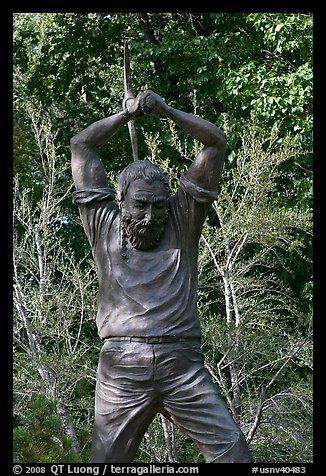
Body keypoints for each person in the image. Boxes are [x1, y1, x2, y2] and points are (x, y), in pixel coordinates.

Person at [70, 90, 253, 463]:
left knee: (234, 455)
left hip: (181, 363)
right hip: (122, 366)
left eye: (157, 204)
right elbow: (81, 145)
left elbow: (216, 142)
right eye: (139, 205)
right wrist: (126, 115)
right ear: (121, 200)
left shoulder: (182, 217)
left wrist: (167, 110)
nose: (151, 216)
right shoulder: (102, 222)